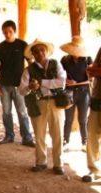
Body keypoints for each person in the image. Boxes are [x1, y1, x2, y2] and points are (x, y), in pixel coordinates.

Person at [19, 39, 67, 175]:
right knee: (39, 134)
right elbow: (21, 90)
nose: (40, 53)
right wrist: (30, 87)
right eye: (36, 51)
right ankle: (41, 162)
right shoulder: (28, 70)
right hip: (38, 103)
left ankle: (58, 164)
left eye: (42, 50)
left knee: (58, 134)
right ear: (33, 54)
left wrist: (41, 83)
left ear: (46, 51)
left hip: (55, 103)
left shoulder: (55, 64)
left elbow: (62, 82)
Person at [0, 20, 35, 147]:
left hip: (20, 85)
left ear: (14, 31)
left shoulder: (22, 45)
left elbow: (31, 62)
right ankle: (9, 135)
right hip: (4, 85)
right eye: (5, 32)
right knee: (6, 112)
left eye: (10, 31)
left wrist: (32, 78)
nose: (7, 34)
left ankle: (27, 138)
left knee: (22, 111)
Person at [60, 36, 93, 149]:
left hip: (84, 93)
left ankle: (85, 142)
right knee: (68, 118)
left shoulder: (87, 59)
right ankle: (65, 141)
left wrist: (89, 77)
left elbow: (91, 78)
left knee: (82, 119)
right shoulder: (65, 60)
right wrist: (66, 80)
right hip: (69, 92)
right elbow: (59, 75)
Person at [82, 47, 101, 182]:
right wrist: (95, 70)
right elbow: (91, 70)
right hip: (98, 98)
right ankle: (94, 169)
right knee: (93, 135)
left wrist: (96, 70)